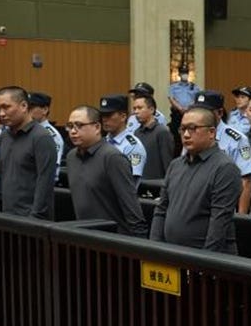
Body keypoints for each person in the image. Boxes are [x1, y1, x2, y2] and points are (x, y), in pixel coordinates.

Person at [150, 106, 240, 253]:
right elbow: (161, 209)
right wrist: (154, 249)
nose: (186, 134)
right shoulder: (175, 165)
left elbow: (219, 223)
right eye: (183, 129)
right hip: (170, 254)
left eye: (193, 128)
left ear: (211, 132)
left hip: (206, 259)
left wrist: (202, 261)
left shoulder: (225, 168)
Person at [64, 105, 147, 237]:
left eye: (79, 125)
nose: (73, 131)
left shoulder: (112, 157)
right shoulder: (71, 157)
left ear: (97, 127)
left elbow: (131, 206)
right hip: (83, 234)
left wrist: (139, 242)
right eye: (70, 126)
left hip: (113, 238)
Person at [0, 86, 58, 219]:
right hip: (7, 216)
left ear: (24, 106)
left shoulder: (41, 137)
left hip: (32, 219)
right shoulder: (4, 136)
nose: (1, 113)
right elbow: (0, 176)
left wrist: (34, 218)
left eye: (6, 107)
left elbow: (45, 183)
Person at [194, 90, 251, 213]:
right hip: (196, 205)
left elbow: (245, 180)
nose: (200, 116)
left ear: (220, 113)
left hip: (224, 207)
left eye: (206, 112)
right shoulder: (192, 135)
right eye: (197, 111)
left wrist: (241, 217)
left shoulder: (237, 139)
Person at [99, 94, 148, 186]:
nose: (104, 119)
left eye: (109, 115)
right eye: (103, 115)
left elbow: (130, 184)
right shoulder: (101, 142)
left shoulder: (133, 146)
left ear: (123, 117)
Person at [132, 93, 176, 180]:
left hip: (156, 184)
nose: (136, 112)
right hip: (139, 183)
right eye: (134, 108)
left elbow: (167, 163)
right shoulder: (136, 133)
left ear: (151, 109)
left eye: (140, 108)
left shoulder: (162, 132)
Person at [27, 92, 66, 182]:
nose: (27, 111)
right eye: (26, 107)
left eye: (31, 108)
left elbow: (51, 170)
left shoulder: (52, 135)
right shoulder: (25, 131)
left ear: (45, 110)